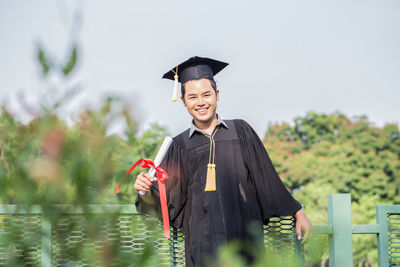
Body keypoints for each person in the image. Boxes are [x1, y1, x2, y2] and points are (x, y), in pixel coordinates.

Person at [134, 56, 312, 266]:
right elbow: (166, 201)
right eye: (192, 97)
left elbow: (267, 179)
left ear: (217, 95)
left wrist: (297, 211)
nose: (200, 102)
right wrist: (144, 192)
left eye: (206, 94)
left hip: (245, 241)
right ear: (183, 101)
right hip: (203, 247)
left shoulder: (241, 131)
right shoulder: (179, 146)